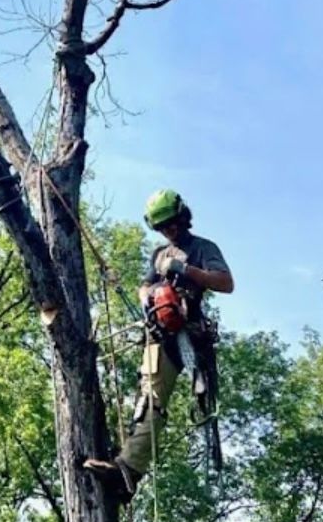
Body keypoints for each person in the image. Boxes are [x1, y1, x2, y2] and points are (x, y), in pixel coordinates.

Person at [85, 189, 234, 503]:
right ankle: (127, 472)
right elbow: (145, 284)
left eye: (171, 223)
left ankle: (129, 469)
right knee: (148, 402)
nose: (168, 230)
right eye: (162, 227)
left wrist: (188, 272)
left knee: (178, 402)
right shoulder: (159, 254)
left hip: (189, 334)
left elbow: (226, 282)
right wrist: (148, 297)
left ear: (182, 217)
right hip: (159, 333)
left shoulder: (202, 248)